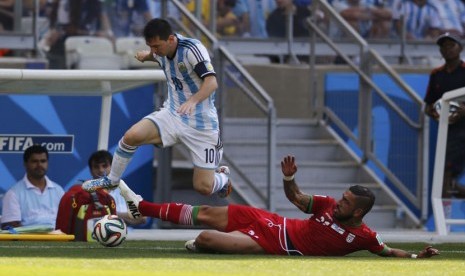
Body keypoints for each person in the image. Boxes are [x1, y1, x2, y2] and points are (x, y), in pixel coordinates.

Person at [117, 155, 439, 257]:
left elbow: (388, 251)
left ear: (358, 213)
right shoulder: (326, 206)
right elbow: (297, 199)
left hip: (274, 243)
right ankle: (141, 207)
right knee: (208, 213)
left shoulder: (364, 236)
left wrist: (416, 255)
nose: (338, 202)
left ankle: (200, 243)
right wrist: (290, 179)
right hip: (270, 221)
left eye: (345, 202)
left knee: (204, 238)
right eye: (341, 197)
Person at [82, 18, 232, 200]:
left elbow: (212, 82)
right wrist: (147, 56)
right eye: (150, 46)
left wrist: (193, 101)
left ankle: (222, 177)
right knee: (131, 136)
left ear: (170, 39)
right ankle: (112, 180)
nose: (154, 51)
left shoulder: (192, 49)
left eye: (156, 46)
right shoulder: (160, 51)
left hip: (202, 125)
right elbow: (158, 56)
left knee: (203, 187)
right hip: (173, 114)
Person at [424, 32, 465, 198]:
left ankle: (443, 219)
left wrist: (463, 111)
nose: (447, 49)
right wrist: (438, 115)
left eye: (451, 45)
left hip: (463, 130)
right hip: (447, 132)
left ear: (460, 48)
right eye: (444, 46)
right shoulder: (436, 74)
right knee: (445, 179)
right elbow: (428, 106)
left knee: (446, 178)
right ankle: (443, 219)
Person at [1, 145, 64, 230]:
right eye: (34, 161)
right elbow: (11, 227)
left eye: (43, 161)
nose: (39, 165)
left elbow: (66, 221)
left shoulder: (58, 190)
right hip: (28, 242)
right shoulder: (13, 193)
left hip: (59, 240)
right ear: (25, 164)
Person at [87, 150, 147, 226]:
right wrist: (124, 217)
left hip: (124, 234)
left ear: (112, 167)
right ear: (90, 170)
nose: (101, 170)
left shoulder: (122, 189)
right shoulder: (86, 192)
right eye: (96, 167)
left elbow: (143, 217)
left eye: (104, 166)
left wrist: (109, 213)